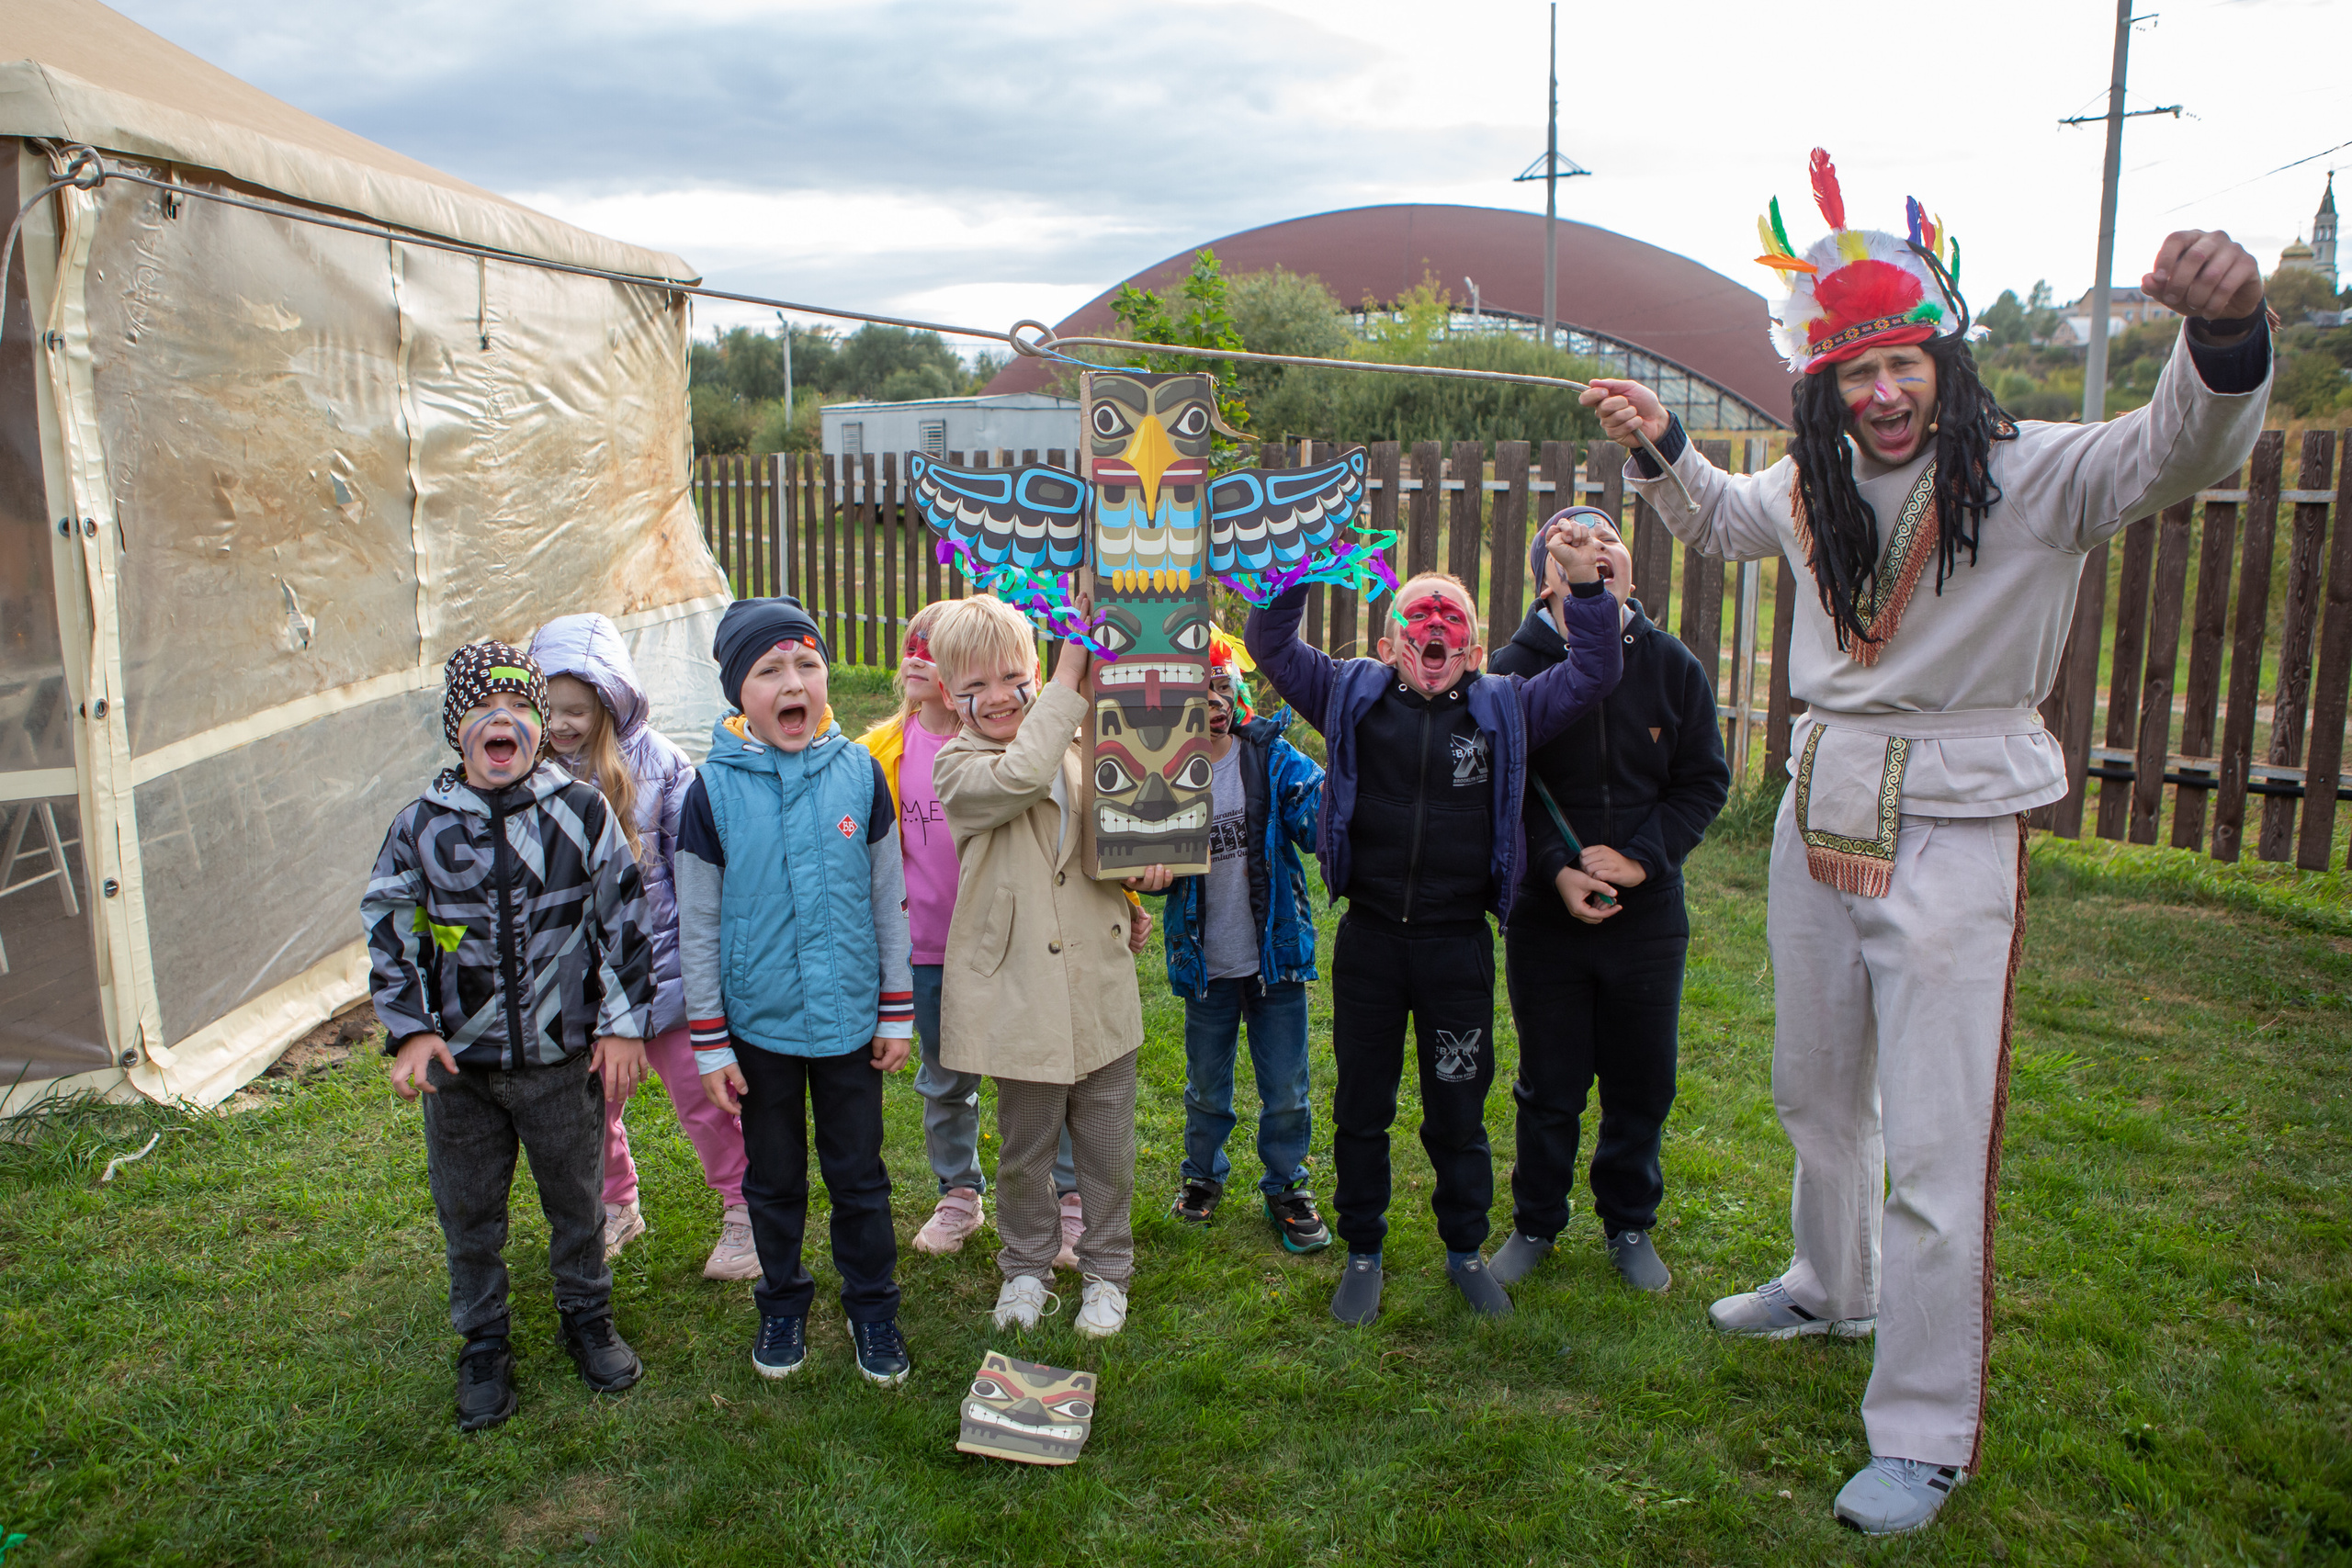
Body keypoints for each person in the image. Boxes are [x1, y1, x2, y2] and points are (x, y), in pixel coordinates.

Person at [1584, 149, 2272, 1535]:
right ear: (1824, 383)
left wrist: (2226, 334)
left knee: (1942, 1136)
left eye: (1902, 364)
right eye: (1856, 372)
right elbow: (1721, 522)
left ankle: (1924, 1427)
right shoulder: (1813, 482)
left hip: (1958, 816)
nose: (1882, 394)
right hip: (1821, 799)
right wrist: (1661, 443)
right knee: (1815, 1082)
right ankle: (1830, 1284)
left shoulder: (2045, 477)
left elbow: (2181, 444)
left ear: (1941, 365)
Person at [1245, 522, 1621, 1326]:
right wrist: (1299, 565)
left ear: (1477, 650)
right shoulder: (1350, 692)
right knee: (1361, 1105)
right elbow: (1272, 645)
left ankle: (1462, 1249)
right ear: (1388, 643)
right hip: (1372, 942)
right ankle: (1364, 1250)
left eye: (1452, 620)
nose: (1436, 629)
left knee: (1459, 1103)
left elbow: (1593, 669)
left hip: (1457, 947)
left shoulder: (1507, 706)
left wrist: (1585, 589)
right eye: (1420, 616)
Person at [363, 641, 653, 1432]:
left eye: (523, 707)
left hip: (561, 1062)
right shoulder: (420, 828)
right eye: (484, 708)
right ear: (457, 727)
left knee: (576, 1202)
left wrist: (624, 1026)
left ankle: (587, 1317)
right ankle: (483, 1339)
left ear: (539, 727)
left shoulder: (581, 813)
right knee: (469, 1213)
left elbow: (624, 919)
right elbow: (391, 931)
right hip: (462, 1072)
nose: (507, 720)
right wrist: (411, 1030)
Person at [1484, 511, 1729, 1295]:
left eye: (1609, 538)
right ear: (1546, 576)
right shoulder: (1510, 670)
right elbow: (1505, 788)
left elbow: (1703, 780)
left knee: (1643, 1077)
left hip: (1648, 917)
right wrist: (1555, 867)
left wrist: (1642, 859)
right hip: (1546, 916)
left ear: (1630, 566)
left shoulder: (1672, 664)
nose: (1598, 548)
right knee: (1549, 1080)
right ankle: (1535, 1222)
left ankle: (1628, 1223)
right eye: (1573, 541)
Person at [677, 597, 916, 1389]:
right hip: (760, 1033)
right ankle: (781, 1301)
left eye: (807, 664)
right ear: (738, 693)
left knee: (860, 1176)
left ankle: (873, 1308)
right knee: (772, 1181)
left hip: (851, 1024)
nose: (794, 681)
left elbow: (888, 900)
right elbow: (700, 924)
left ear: (826, 680)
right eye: (770, 669)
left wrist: (895, 1008)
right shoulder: (709, 793)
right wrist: (711, 1041)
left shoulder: (859, 776)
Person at [930, 594, 1166, 1340]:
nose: (997, 696)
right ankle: (1026, 1267)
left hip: (1095, 983)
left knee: (1106, 1146)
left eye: (1011, 676)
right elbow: (1021, 777)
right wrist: (1071, 671)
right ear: (948, 695)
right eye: (976, 686)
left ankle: (1106, 1270)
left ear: (1029, 670)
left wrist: (1135, 884)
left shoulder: (1074, 747)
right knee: (1026, 1148)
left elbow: (1091, 843)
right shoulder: (957, 766)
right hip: (1019, 994)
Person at [529, 613, 757, 1282]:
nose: (565, 724)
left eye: (579, 709)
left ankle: (744, 1209)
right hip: (577, 989)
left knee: (705, 1098)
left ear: (609, 700)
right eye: (554, 709)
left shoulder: (659, 762)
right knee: (587, 1106)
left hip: (666, 978)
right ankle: (616, 1202)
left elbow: (696, 868)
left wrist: (708, 959)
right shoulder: (528, 780)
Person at [855, 605, 1084, 1262]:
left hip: (1018, 941)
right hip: (929, 946)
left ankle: (1066, 1193)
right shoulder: (884, 751)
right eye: (913, 645)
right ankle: (959, 1191)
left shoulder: (1026, 740)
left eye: (936, 649)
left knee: (1041, 1072)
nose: (919, 657)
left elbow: (1071, 827)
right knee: (946, 1075)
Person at [1158, 631, 1330, 1253]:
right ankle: (1202, 1177)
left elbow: (1318, 816)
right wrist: (1158, 867)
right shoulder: (1165, 770)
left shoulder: (1271, 757)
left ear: (1238, 693)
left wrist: (1352, 771)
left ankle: (1287, 1183)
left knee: (1286, 1086)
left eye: (1222, 685)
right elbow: (1149, 863)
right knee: (1206, 1085)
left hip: (1274, 962)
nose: (1213, 700)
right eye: (1199, 690)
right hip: (1206, 963)